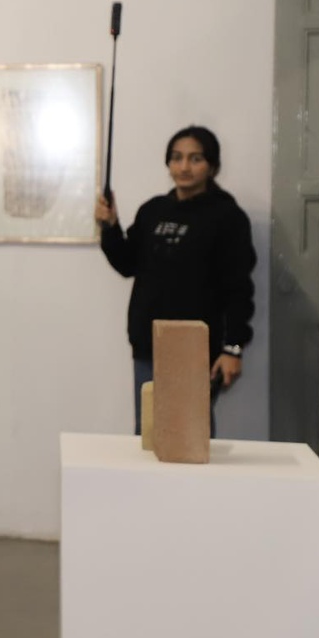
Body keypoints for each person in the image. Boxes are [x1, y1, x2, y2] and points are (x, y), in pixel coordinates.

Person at [96, 125, 256, 435]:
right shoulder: (153, 210)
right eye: (177, 158)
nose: (184, 167)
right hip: (148, 342)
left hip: (195, 347)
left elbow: (238, 287)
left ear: (212, 166)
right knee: (149, 434)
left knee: (189, 437)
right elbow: (127, 264)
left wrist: (233, 348)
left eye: (196, 159)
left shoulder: (227, 217)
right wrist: (110, 226)